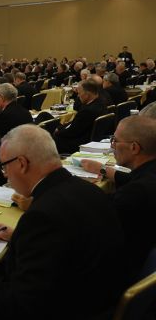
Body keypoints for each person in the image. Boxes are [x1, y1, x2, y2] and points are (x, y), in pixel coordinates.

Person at [0, 124, 126, 319]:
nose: (5, 174)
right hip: (97, 298)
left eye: (4, 166)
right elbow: (68, 242)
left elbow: (19, 306)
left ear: (22, 163)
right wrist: (19, 237)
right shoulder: (90, 190)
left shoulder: (43, 216)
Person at [80, 116, 156, 282]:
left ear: (134, 147)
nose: (111, 146)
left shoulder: (134, 194)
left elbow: (87, 236)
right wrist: (103, 170)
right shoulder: (147, 176)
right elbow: (133, 180)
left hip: (115, 276)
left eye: (115, 140)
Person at [54, 78, 107, 154]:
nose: (78, 96)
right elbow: (75, 125)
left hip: (78, 143)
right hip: (86, 135)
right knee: (47, 118)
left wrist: (57, 132)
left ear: (87, 94)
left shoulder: (88, 110)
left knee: (48, 138)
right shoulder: (101, 102)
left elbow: (72, 131)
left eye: (79, 93)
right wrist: (61, 127)